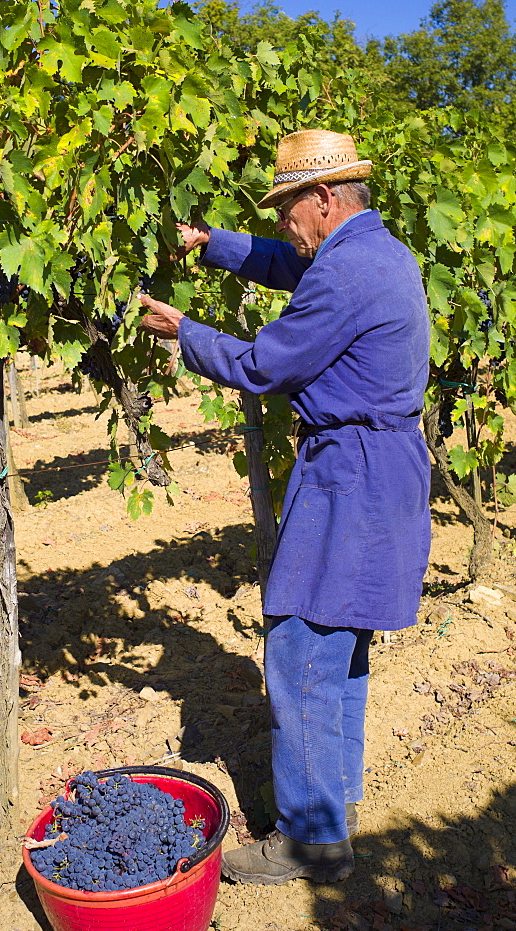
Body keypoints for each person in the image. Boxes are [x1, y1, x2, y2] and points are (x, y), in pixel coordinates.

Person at [138, 129, 431, 886]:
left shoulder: (346, 274)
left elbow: (265, 365)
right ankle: (332, 807)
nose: (281, 227)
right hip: (378, 468)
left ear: (323, 200)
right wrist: (209, 244)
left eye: (285, 211)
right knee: (340, 644)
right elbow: (287, 263)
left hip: (351, 476)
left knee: (301, 645)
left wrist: (184, 333)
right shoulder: (373, 251)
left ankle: (307, 841)